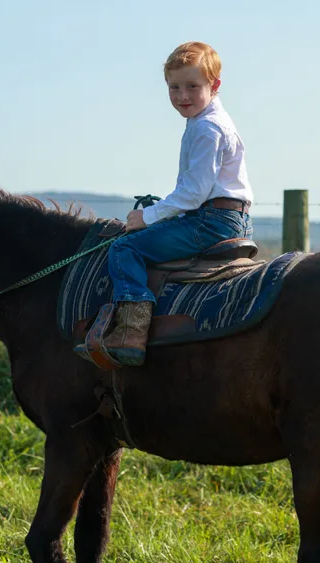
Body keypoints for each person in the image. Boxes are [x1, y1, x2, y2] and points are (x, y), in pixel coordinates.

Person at [78, 41, 253, 367]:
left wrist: (148, 216)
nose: (182, 95)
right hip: (228, 216)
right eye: (174, 87)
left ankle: (131, 332)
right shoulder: (209, 121)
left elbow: (193, 194)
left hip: (211, 219)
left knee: (125, 249)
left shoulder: (206, 128)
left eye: (192, 86)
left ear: (214, 86)